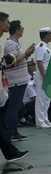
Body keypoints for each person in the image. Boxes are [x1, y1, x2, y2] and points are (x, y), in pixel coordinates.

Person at [0, 12, 28, 162]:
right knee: (8, 112)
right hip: (13, 82)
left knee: (3, 117)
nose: (9, 25)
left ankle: (10, 151)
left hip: (4, 84)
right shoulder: (10, 43)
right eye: (7, 22)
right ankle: (11, 147)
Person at [3, 20, 36, 142]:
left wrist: (27, 54)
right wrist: (26, 53)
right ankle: (11, 132)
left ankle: (14, 131)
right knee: (12, 108)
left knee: (15, 107)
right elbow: (13, 60)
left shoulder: (15, 43)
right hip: (15, 80)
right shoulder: (11, 44)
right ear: (17, 30)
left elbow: (19, 59)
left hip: (20, 80)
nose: (23, 30)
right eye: (21, 28)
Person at [33, 27, 51, 129]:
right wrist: (44, 76)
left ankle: (45, 119)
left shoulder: (47, 47)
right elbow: (39, 62)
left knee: (47, 99)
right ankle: (40, 121)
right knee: (41, 98)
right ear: (47, 35)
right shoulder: (40, 47)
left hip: (48, 74)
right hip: (43, 74)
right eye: (50, 34)